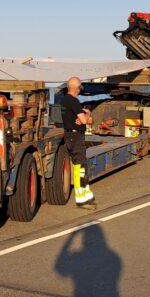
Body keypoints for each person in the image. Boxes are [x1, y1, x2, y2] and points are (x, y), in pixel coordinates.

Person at [62, 77, 95, 208]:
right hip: (76, 137)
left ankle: (86, 194)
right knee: (80, 167)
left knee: (78, 166)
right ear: (77, 88)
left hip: (69, 135)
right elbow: (85, 120)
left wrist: (82, 117)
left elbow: (78, 118)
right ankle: (81, 198)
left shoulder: (64, 100)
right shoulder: (74, 101)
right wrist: (88, 114)